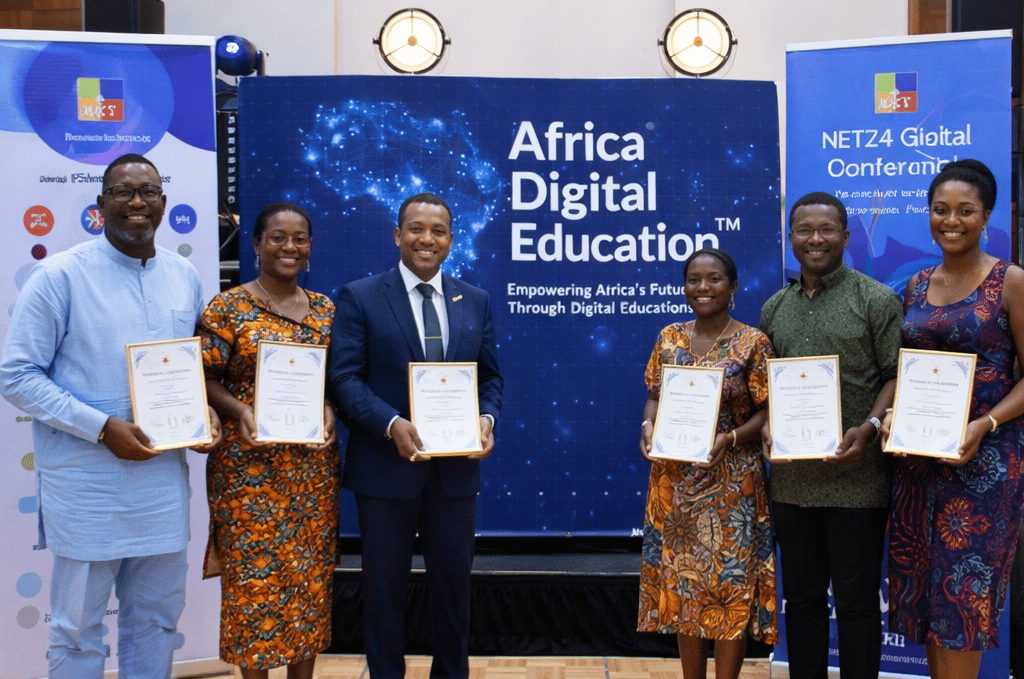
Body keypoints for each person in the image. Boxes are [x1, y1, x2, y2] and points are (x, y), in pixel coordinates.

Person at [0, 153, 221, 679]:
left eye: (149, 192)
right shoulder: (59, 276)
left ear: (164, 203)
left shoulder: (183, 275)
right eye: (123, 192)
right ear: (101, 204)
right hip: (87, 491)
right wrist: (100, 428)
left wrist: (204, 414)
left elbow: (185, 368)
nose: (137, 202)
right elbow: (16, 376)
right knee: (76, 631)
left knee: (156, 622)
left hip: (161, 490)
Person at [327, 192, 503, 679]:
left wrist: (486, 420)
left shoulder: (475, 300)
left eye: (438, 231)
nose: (427, 239)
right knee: (383, 594)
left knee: (454, 592)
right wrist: (391, 424)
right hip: (385, 470)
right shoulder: (361, 296)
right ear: (397, 235)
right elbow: (343, 378)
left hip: (455, 474)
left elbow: (490, 378)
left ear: (451, 240)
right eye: (416, 229)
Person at [883, 159, 1024, 679]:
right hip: (919, 464)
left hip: (984, 465)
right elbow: (909, 368)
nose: (951, 220)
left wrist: (983, 426)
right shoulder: (916, 284)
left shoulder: (1011, 281)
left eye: (966, 210)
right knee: (928, 601)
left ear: (986, 216)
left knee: (964, 600)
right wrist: (894, 414)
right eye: (940, 209)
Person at [759, 191, 903, 679]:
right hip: (792, 483)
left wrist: (871, 427)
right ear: (790, 238)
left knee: (857, 603)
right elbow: (767, 388)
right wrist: (768, 425)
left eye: (826, 230)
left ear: (845, 235)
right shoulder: (775, 307)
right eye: (804, 230)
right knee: (800, 601)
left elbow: (896, 375)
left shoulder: (876, 300)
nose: (815, 239)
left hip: (857, 479)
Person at [198, 202, 339, 679]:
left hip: (311, 473)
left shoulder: (326, 309)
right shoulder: (228, 307)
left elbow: (337, 380)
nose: (289, 247)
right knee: (251, 585)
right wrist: (240, 410)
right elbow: (203, 376)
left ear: (310, 247)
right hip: (247, 471)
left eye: (300, 238)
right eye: (277, 237)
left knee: (308, 583)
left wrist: (328, 407)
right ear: (256, 244)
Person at [638, 249, 777, 679]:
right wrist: (647, 425)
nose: (703, 287)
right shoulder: (669, 337)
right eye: (693, 279)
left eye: (714, 279)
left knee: (729, 588)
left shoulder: (753, 343)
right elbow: (655, 395)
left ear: (733, 287)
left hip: (734, 485)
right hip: (675, 484)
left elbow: (768, 412)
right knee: (685, 586)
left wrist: (730, 437)